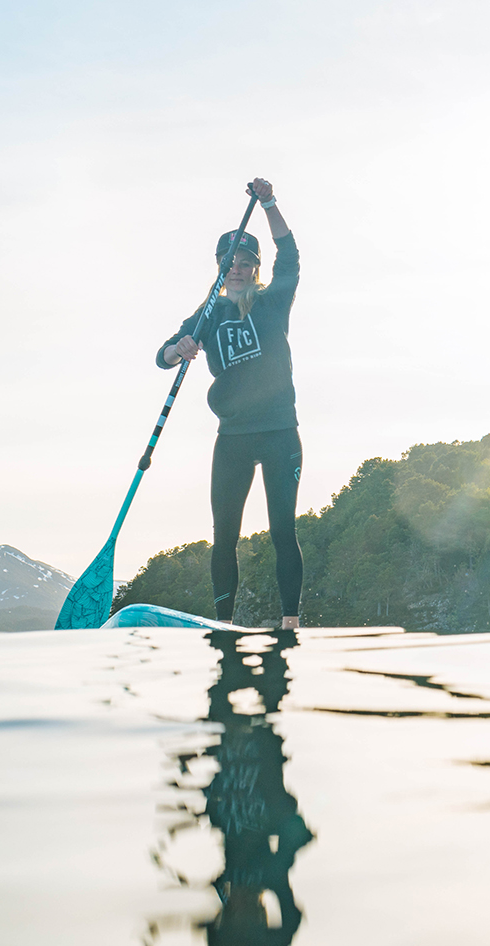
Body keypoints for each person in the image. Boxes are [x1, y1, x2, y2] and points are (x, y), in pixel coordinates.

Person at [157, 178, 303, 629]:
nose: (236, 268)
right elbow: (162, 357)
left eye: (244, 262)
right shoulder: (209, 313)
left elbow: (291, 256)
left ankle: (290, 622)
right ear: (219, 266)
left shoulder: (274, 301)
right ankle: (222, 625)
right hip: (233, 439)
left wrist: (270, 204)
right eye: (229, 262)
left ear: (254, 268)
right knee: (225, 538)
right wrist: (177, 349)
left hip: (280, 433)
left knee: (282, 531)